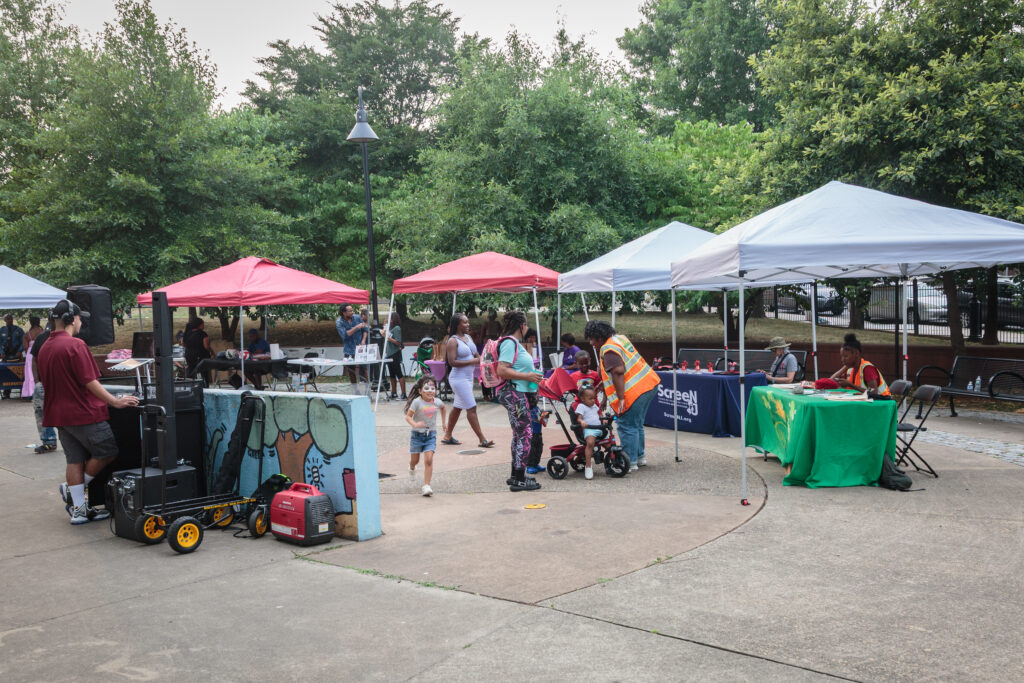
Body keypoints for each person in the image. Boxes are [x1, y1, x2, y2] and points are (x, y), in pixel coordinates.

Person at [37, 299, 139, 524]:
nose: (81, 322)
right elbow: (90, 381)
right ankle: (74, 490)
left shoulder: (45, 346)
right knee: (107, 451)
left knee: (74, 460)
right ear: (70, 319)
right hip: (83, 413)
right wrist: (115, 402)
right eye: (79, 318)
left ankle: (79, 511)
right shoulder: (76, 345)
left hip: (59, 415)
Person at [585, 320, 660, 472]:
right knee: (636, 424)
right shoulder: (619, 339)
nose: (591, 343)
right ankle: (640, 457)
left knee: (626, 426)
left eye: (592, 339)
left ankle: (629, 462)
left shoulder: (609, 349)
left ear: (599, 337)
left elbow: (618, 372)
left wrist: (621, 398)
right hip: (648, 384)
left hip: (634, 391)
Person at [496, 311, 545, 492]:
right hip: (514, 393)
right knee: (525, 434)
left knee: (519, 434)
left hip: (516, 393)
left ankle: (516, 475)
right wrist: (528, 375)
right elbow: (502, 370)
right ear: (521, 325)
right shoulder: (509, 342)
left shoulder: (512, 342)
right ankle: (519, 479)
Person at [440, 314, 494, 448]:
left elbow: (477, 355)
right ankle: (482, 439)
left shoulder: (468, 338)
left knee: (458, 407)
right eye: (465, 322)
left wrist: (484, 359)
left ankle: (447, 435)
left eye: (468, 322)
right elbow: (452, 362)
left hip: (468, 378)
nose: (468, 324)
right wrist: (473, 361)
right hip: (458, 378)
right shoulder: (452, 341)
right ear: (457, 325)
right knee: (472, 407)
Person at [405, 375, 446, 497]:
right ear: (420, 391)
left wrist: (444, 423)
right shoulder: (417, 402)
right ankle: (412, 467)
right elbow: (408, 416)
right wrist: (415, 424)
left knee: (429, 460)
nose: (430, 391)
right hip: (417, 435)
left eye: (433, 388)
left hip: (430, 435)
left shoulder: (437, 402)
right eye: (426, 388)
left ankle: (426, 485)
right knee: (415, 460)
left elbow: (443, 408)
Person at [28, 323, 58, 453]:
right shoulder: (41, 338)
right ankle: (49, 441)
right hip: (43, 383)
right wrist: (36, 380)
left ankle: (74, 441)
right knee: (41, 411)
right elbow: (34, 360)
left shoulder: (70, 338)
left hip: (61, 383)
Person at [574, 387, 604, 480]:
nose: (593, 400)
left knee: (608, 443)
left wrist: (604, 419)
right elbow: (579, 418)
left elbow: (600, 415)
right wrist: (581, 421)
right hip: (590, 429)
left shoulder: (595, 406)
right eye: (590, 398)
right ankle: (588, 466)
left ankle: (613, 461)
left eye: (594, 398)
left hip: (599, 428)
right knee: (590, 443)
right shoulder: (581, 406)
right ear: (583, 399)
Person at [335, 304, 368, 385]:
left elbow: (365, 329)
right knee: (351, 372)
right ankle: (355, 390)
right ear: (344, 313)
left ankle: (367, 390)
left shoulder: (357, 318)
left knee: (364, 369)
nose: (352, 312)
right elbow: (345, 335)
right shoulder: (339, 322)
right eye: (350, 311)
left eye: (352, 310)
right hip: (349, 350)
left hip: (360, 348)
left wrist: (363, 340)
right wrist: (356, 327)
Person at [383, 312, 407, 400]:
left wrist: (388, 338)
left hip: (395, 353)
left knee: (398, 373)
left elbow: (398, 342)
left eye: (390, 318)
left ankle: (403, 393)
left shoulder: (396, 328)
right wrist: (385, 325)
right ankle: (393, 392)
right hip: (389, 353)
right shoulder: (390, 328)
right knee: (392, 374)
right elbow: (385, 334)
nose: (389, 319)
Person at [183, 318, 213, 386]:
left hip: (189, 355)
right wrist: (212, 352)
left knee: (191, 370)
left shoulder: (187, 333)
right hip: (200, 356)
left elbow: (183, 343)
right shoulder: (203, 334)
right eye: (203, 324)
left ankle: (190, 385)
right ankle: (205, 386)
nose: (203, 326)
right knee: (203, 372)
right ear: (199, 325)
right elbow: (206, 346)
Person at [20, 316, 43, 400]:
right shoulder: (43, 332)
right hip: (41, 352)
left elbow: (25, 347)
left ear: (31, 323)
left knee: (30, 374)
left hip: (30, 353)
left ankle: (30, 393)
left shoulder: (27, 334)